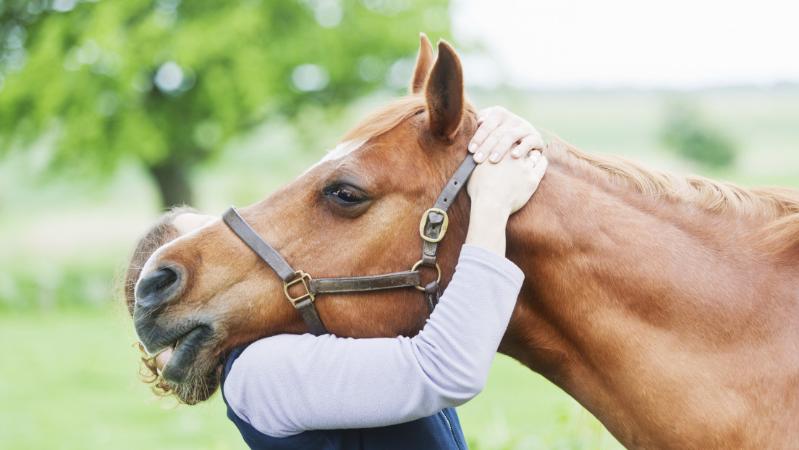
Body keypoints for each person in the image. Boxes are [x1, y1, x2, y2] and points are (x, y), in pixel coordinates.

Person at [144, 107, 547, 449]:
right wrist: (493, 201)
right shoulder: (258, 374)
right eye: (202, 249)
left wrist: (492, 137)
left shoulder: (322, 337)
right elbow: (441, 369)